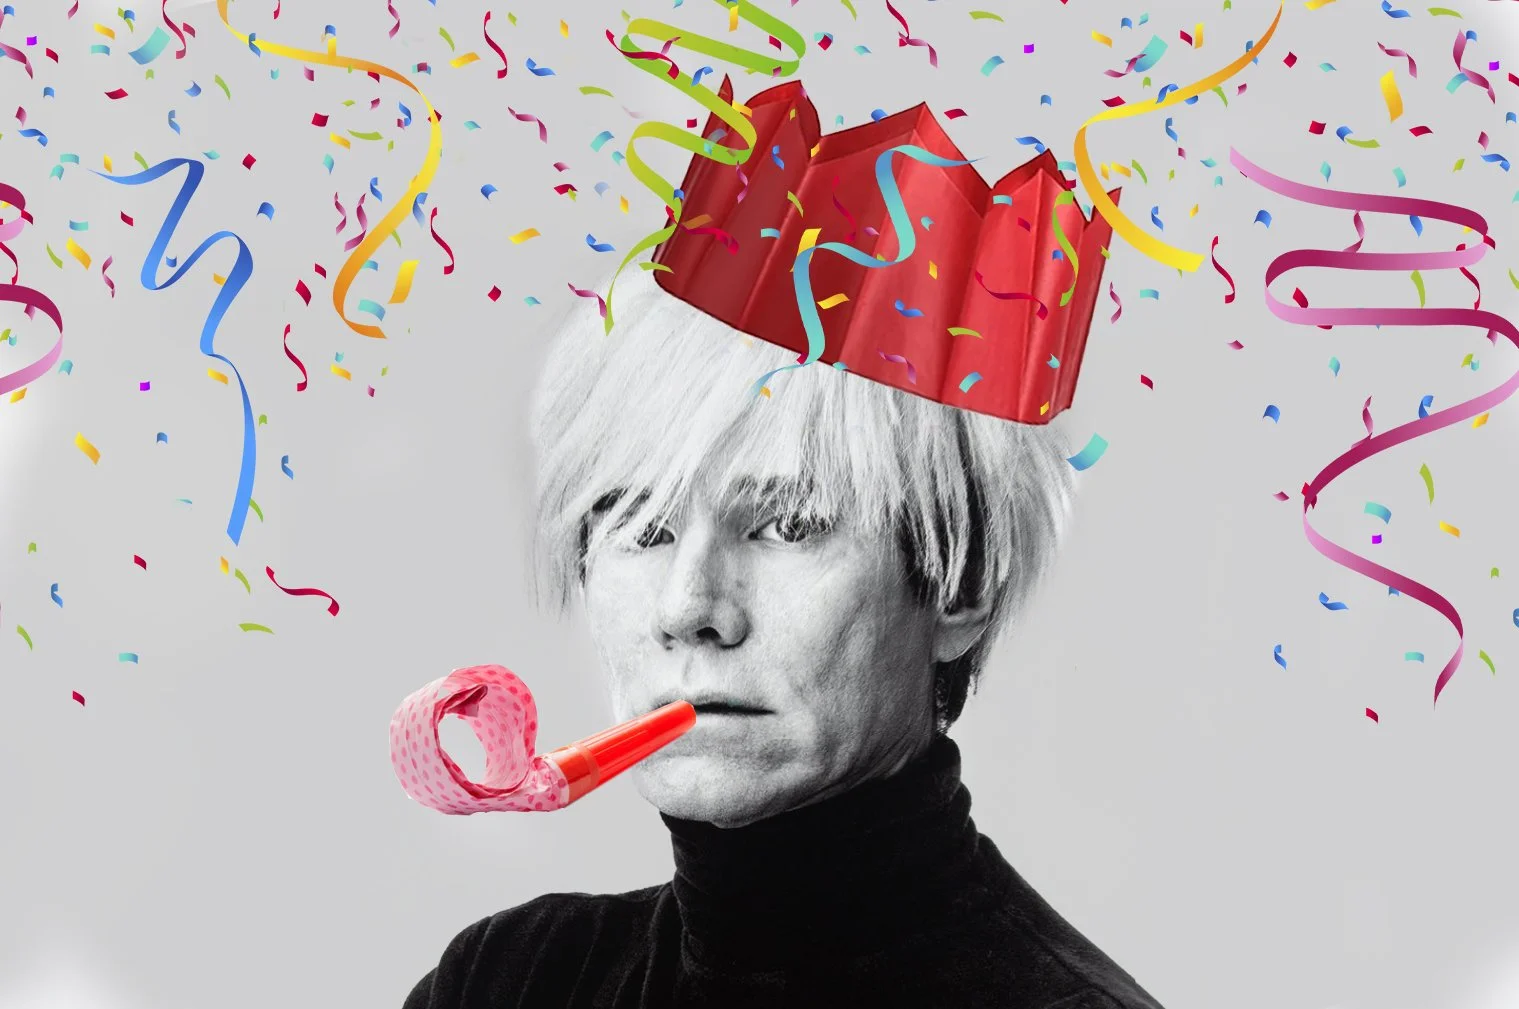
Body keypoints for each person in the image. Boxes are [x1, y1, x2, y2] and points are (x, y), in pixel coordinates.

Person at [403, 83, 1164, 1008]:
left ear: (960, 582)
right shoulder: (509, 980)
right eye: (642, 525)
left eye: (787, 525)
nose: (690, 608)